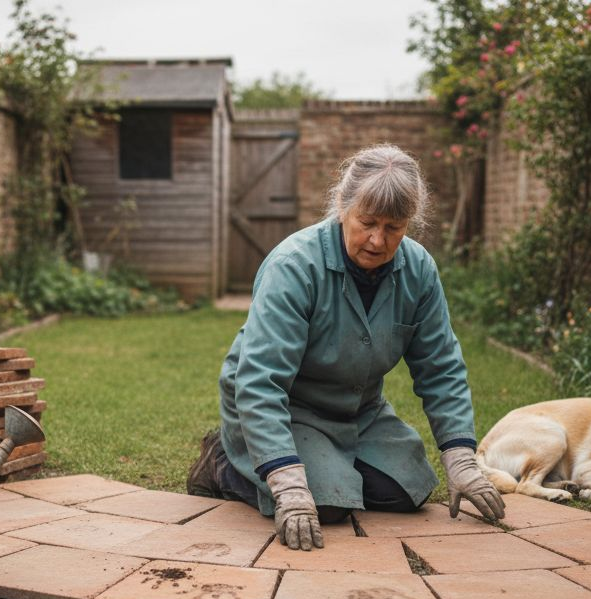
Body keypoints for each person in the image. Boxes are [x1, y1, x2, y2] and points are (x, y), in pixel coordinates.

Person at [187, 143, 505, 550]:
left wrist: (461, 460)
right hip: (288, 407)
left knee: (408, 491)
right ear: (342, 205)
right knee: (326, 504)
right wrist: (289, 486)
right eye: (367, 222)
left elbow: (441, 367)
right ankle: (223, 462)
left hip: (359, 412)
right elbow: (260, 381)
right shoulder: (294, 266)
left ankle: (329, 466)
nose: (377, 240)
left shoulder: (419, 269)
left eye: (394, 227)